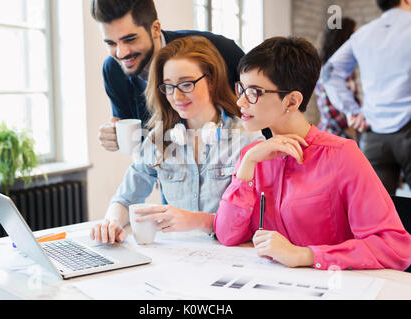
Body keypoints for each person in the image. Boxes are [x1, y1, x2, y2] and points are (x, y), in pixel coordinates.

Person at [214, 36, 411, 271]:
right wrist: (246, 165)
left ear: (292, 101)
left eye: (254, 92)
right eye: (242, 89)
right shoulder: (253, 155)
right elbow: (227, 235)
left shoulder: (342, 156)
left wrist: (306, 255)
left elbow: (395, 248)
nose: (240, 101)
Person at [90, 36, 263, 244]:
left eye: (186, 84)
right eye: (169, 87)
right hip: (180, 257)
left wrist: (197, 221)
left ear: (212, 80)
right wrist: (111, 222)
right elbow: (126, 199)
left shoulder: (247, 139)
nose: (176, 96)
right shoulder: (159, 140)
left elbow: (258, 220)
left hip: (234, 254)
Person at [90, 0, 252, 153]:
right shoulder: (113, 70)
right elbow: (137, 142)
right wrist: (114, 136)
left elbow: (261, 111)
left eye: (130, 39)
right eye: (111, 43)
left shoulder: (218, 50)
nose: (121, 53)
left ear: (155, 29)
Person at [322, 0, 411, 194]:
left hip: (374, 136)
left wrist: (351, 110)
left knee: (380, 211)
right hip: (408, 127)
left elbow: (328, 73)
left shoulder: (363, 34)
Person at [315, 17, 360, 140]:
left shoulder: (347, 69)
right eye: (354, 35)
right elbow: (330, 112)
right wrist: (353, 130)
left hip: (349, 131)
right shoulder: (328, 70)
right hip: (334, 135)